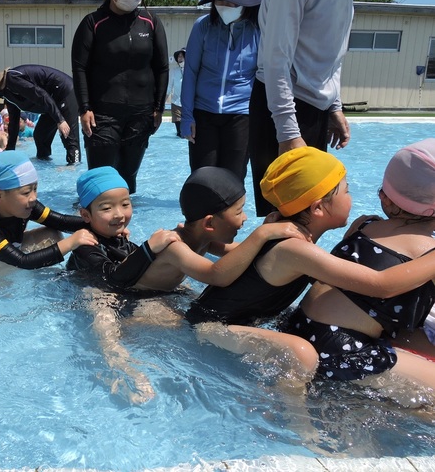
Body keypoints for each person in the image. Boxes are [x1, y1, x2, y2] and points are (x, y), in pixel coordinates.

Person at [187, 147, 435, 386]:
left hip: (249, 322)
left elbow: (250, 260)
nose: (351, 198)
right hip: (212, 328)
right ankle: (296, 416)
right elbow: (379, 285)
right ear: (317, 208)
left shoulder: (284, 230)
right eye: (346, 192)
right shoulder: (294, 248)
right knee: (302, 353)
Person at [68, 165, 309, 403]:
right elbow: (217, 274)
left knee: (186, 315)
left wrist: (280, 244)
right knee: (105, 325)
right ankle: (120, 368)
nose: (245, 218)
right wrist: (262, 234)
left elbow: (243, 256)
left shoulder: (203, 239)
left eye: (125, 204)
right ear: (209, 223)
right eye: (240, 212)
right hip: (107, 293)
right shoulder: (175, 246)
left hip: (152, 294)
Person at [284, 139, 435, 404]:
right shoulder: (429, 252)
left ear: (386, 199)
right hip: (342, 352)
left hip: (299, 327)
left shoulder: (364, 225)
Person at [248, 0, 354, 216]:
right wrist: (286, 132)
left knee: (311, 216)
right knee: (286, 217)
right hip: (282, 103)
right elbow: (276, 56)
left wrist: (333, 105)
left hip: (316, 106)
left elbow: (336, 46)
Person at [71, 0, 169, 193]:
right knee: (100, 179)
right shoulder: (93, 23)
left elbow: (162, 67)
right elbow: (79, 67)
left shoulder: (150, 22)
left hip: (140, 113)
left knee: (128, 179)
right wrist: (84, 108)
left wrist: (158, 108)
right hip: (103, 113)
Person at [179, 0, 261, 180]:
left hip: (241, 115)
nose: (224, 5)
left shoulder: (259, 30)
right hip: (204, 113)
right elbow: (190, 73)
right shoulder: (202, 26)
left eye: (231, 0)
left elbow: (265, 76)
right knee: (202, 178)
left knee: (233, 179)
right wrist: (187, 116)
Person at [0, 151, 97, 269]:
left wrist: (99, 224)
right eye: (26, 192)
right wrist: (71, 242)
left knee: (52, 235)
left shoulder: (26, 205)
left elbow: (61, 222)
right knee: (2, 271)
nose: (33, 198)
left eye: (35, 189)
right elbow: (23, 262)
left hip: (12, 247)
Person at [0, 64, 82, 165]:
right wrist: (9, 152)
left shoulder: (13, 80)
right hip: (51, 102)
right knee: (40, 135)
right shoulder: (6, 93)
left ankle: (74, 167)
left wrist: (60, 120)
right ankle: (44, 161)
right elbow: (13, 123)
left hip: (65, 92)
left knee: (68, 135)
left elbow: (41, 95)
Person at [167, 47, 185, 136]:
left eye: (182, 56)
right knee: (180, 133)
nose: (180, 58)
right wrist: (161, 102)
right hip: (176, 103)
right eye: (178, 56)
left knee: (188, 132)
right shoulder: (174, 71)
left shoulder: (192, 71)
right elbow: (169, 87)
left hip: (189, 104)